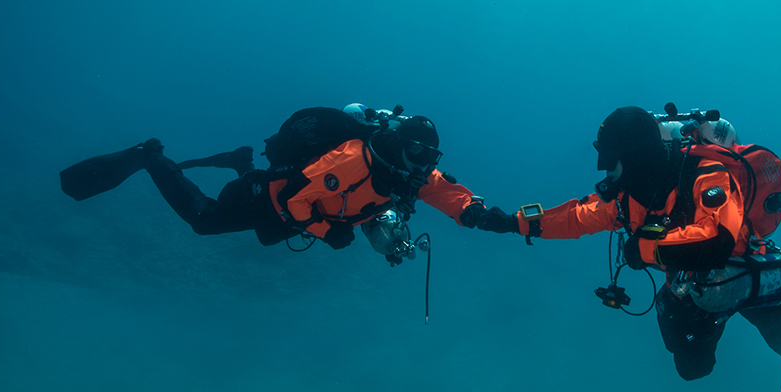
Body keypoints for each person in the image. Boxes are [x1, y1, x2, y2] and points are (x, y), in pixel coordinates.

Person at [475, 106, 781, 380]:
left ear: (634, 157)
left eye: (610, 160)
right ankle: (732, 308)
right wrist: (512, 223)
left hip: (737, 269)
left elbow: (718, 240)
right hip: (689, 284)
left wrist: (647, 249)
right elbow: (576, 217)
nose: (602, 169)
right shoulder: (625, 198)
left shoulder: (707, 173)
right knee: (691, 366)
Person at [60, 105, 495, 254]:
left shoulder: (405, 172)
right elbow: (294, 201)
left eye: (430, 157)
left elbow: (445, 191)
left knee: (265, 234)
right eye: (418, 152)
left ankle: (240, 160)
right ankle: (150, 156)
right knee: (203, 219)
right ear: (401, 146)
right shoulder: (351, 160)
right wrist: (328, 234)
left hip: (291, 214)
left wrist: (489, 216)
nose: (423, 163)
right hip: (273, 197)